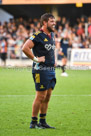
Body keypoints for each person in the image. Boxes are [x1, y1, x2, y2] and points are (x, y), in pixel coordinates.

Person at [22, 13, 56, 129]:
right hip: (40, 70)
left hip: (51, 70)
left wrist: (53, 61)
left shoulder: (52, 35)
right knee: (40, 96)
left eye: (54, 21)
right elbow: (25, 48)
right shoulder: (37, 35)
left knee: (47, 97)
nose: (54, 23)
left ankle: (43, 121)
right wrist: (36, 59)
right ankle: (33, 122)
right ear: (44, 23)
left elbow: (50, 51)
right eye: (52, 21)